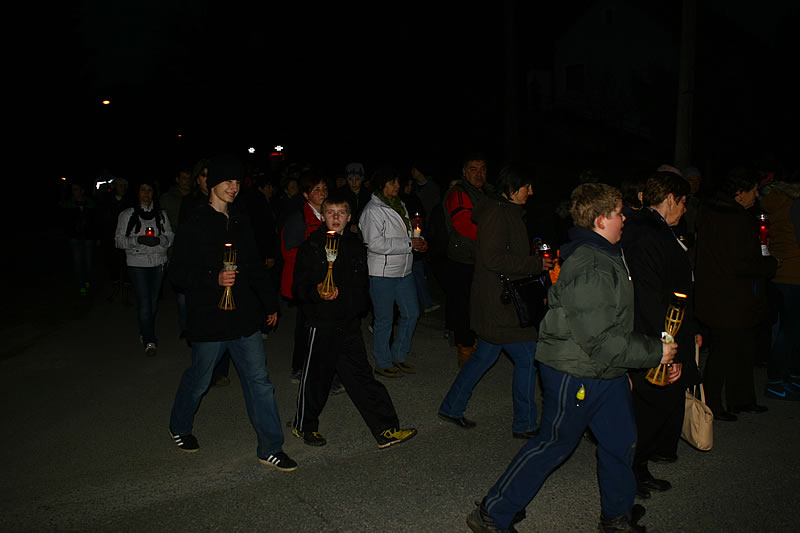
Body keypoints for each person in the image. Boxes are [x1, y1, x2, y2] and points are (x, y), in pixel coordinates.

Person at [466, 182, 676, 533]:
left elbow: (613, 324)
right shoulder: (590, 264)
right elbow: (599, 337)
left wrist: (623, 367)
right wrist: (656, 351)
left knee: (620, 441)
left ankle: (617, 516)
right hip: (574, 370)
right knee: (554, 444)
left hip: (604, 369)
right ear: (600, 220)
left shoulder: (608, 253)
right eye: (618, 213)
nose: (624, 218)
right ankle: (493, 512)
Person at [167, 155, 297, 472]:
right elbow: (178, 274)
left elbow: (253, 267)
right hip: (210, 319)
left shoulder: (239, 220)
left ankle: (271, 447)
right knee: (200, 379)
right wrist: (213, 278)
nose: (234, 187)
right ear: (212, 183)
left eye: (237, 182)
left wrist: (270, 304)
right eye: (228, 181)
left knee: (260, 382)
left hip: (243, 317)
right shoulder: (195, 221)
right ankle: (179, 425)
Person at [290, 193, 418, 449]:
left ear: (349, 218)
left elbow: (361, 285)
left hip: (348, 324)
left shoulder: (355, 246)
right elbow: (298, 288)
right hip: (322, 322)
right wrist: (317, 292)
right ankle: (305, 425)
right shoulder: (312, 245)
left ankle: (386, 429)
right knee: (317, 378)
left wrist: (356, 307)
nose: (336, 217)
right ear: (322, 216)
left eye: (341, 213)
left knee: (362, 377)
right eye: (330, 212)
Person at [438, 166, 553, 438]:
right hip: (499, 302)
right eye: (526, 187)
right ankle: (525, 424)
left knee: (485, 354)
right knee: (527, 356)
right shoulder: (497, 214)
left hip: (499, 299)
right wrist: (535, 264)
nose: (531, 192)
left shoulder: (506, 211)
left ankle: (452, 407)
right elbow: (492, 259)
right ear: (511, 189)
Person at [620, 171, 703, 497]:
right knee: (650, 409)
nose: (685, 209)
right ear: (670, 199)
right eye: (683, 202)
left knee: (653, 408)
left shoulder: (654, 229)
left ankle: (639, 469)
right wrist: (668, 348)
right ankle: (630, 473)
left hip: (660, 333)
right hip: (654, 337)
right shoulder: (648, 233)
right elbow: (652, 298)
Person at [694, 167, 778, 421]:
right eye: (754, 191)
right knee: (724, 351)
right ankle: (712, 404)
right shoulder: (734, 218)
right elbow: (742, 262)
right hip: (730, 297)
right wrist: (770, 264)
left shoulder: (714, 213)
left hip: (723, 295)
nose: (757, 196)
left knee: (741, 348)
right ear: (739, 193)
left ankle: (741, 399)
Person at [359, 166, 427, 377]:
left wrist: (418, 241)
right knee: (384, 319)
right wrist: (410, 243)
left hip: (404, 270)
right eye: (392, 182)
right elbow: (375, 244)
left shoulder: (398, 204)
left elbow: (405, 233)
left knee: (411, 313)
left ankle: (398, 354)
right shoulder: (372, 210)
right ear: (381, 185)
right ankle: (382, 362)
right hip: (382, 273)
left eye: (398, 182)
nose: (397, 186)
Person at [443, 153, 494, 366]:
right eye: (473, 169)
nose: (479, 174)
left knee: (481, 305)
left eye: (482, 169)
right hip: (463, 259)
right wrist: (496, 235)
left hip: (482, 258)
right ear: (464, 172)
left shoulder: (488, 193)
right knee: (464, 307)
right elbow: (465, 226)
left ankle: (476, 345)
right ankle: (465, 351)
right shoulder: (458, 193)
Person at [754, 176, 800, 400]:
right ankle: (779, 380)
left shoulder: (773, 204)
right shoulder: (793, 204)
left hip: (781, 273)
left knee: (784, 330)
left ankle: (785, 378)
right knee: (789, 332)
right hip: (794, 275)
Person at [115, 179, 173, 356]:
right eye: (143, 190)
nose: (146, 194)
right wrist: (138, 240)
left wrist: (159, 240)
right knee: (144, 303)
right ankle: (149, 340)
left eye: (149, 190)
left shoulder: (161, 214)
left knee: (152, 303)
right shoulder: (127, 214)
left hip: (158, 262)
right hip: (137, 263)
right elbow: (119, 240)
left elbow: (170, 236)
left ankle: (145, 329)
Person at [280, 171, 329, 383]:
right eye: (316, 189)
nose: (322, 193)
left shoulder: (328, 215)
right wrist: (315, 256)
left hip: (323, 279)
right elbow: (288, 252)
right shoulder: (298, 219)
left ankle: (321, 368)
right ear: (306, 195)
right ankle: (299, 368)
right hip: (305, 281)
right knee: (306, 326)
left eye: (324, 188)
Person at [400, 175, 439, 313]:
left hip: (416, 240)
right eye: (407, 185)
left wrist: (419, 223)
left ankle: (424, 303)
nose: (409, 188)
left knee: (418, 272)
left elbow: (421, 214)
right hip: (404, 245)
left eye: (412, 185)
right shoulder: (398, 202)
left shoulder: (414, 199)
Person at [62, 180, 100, 297]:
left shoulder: (91, 204)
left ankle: (88, 281)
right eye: (73, 190)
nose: (74, 192)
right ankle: (81, 285)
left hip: (88, 237)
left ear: (82, 191)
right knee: (78, 263)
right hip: (75, 237)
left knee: (88, 262)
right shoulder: (69, 204)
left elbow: (95, 221)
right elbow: (66, 223)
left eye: (76, 189)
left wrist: (97, 237)